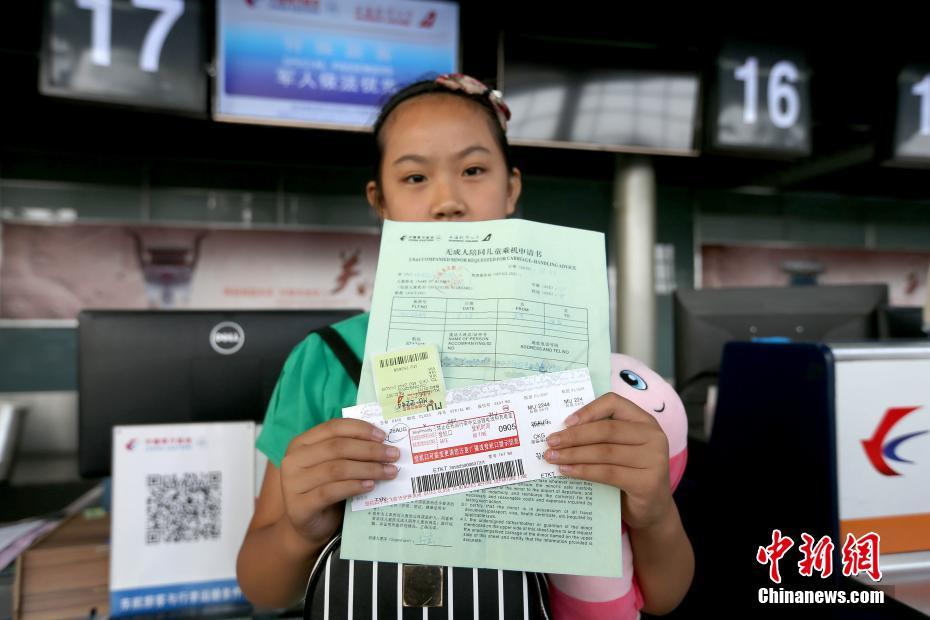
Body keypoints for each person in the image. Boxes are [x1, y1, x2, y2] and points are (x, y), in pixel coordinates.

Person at [236, 73, 694, 618]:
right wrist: (300, 528)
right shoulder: (325, 359)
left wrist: (655, 513)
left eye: (473, 170)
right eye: (414, 177)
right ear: (379, 201)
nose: (447, 202)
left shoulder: (575, 360)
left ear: (512, 188)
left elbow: (662, 597)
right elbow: (263, 588)